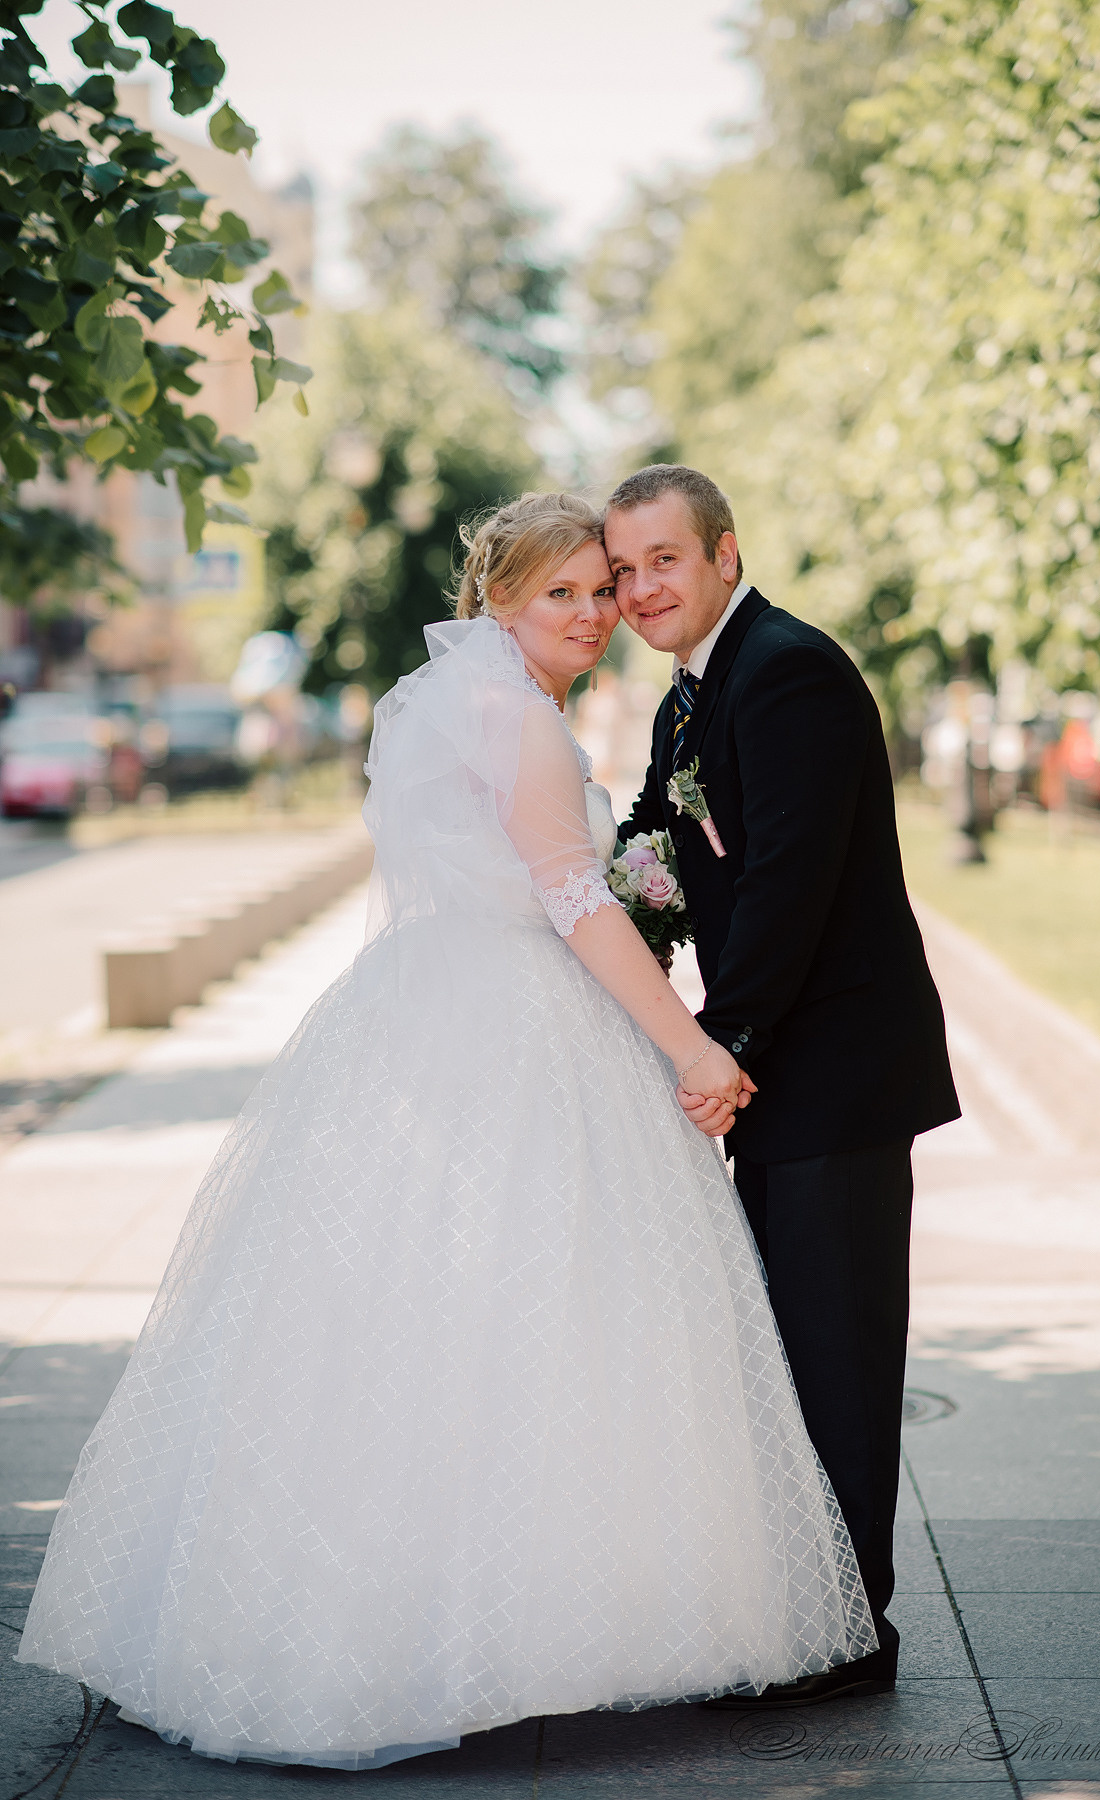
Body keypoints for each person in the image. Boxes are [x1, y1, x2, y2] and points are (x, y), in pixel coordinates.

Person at [18, 492, 875, 1770]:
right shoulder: (519, 725)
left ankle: (355, 1611)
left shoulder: (447, 706)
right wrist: (689, 1044)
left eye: (606, 588)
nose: (595, 613)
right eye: (565, 594)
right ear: (498, 601)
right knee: (539, 1311)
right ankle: (508, 1626)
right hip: (524, 1024)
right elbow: (579, 903)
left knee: (404, 1315)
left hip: (425, 1015)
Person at [607, 465, 961, 1709]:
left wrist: (722, 1045)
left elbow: (790, 884)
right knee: (790, 1355)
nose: (639, 588)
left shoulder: (786, 669)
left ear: (720, 552)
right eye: (621, 571)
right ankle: (808, 1607)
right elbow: (652, 846)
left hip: (835, 1076)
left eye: (662, 560)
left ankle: (852, 1635)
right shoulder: (689, 699)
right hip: (781, 1073)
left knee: (841, 1357)